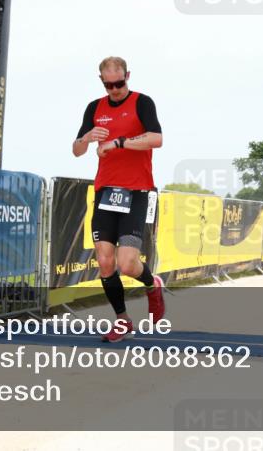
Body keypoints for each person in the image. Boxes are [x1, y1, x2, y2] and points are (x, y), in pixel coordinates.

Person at [73, 56, 165, 341]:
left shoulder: (142, 102)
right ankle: (122, 320)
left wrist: (120, 142)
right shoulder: (94, 107)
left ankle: (152, 283)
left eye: (119, 83)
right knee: (104, 261)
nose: (114, 89)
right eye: (109, 84)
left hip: (137, 190)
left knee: (127, 264)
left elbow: (157, 139)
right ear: (101, 80)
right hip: (106, 191)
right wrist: (87, 137)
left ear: (128, 76)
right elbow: (77, 150)